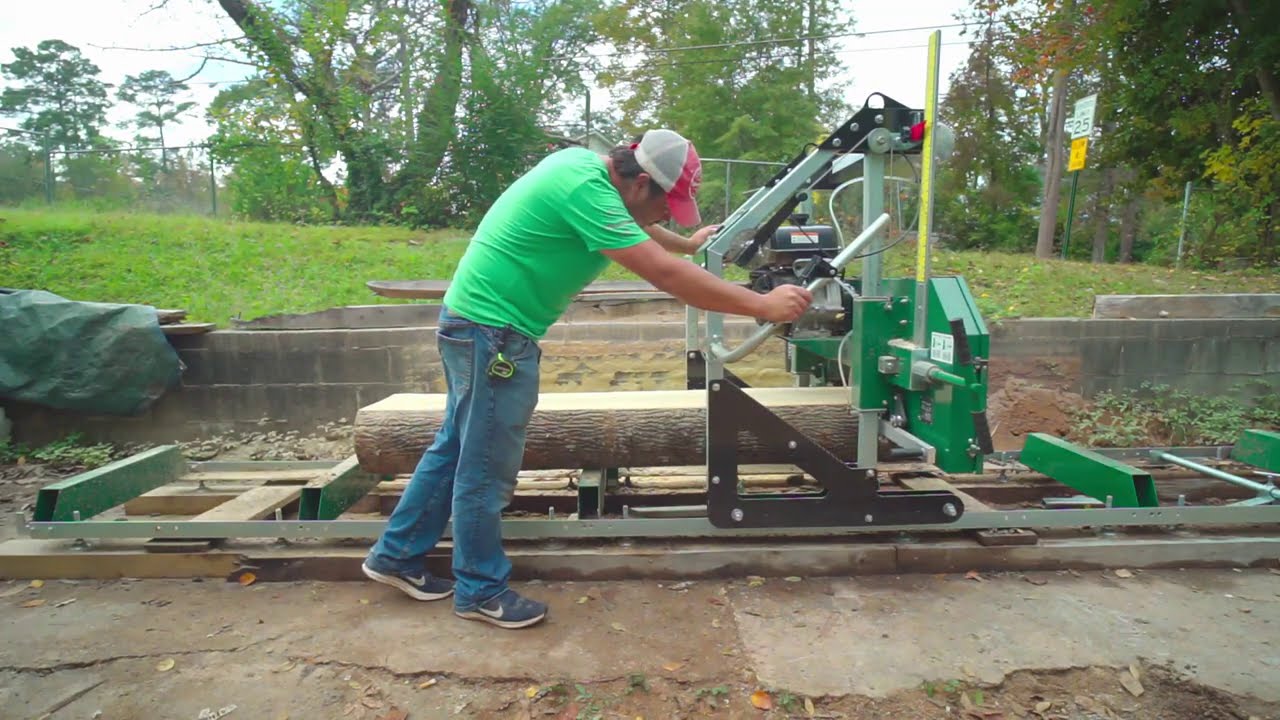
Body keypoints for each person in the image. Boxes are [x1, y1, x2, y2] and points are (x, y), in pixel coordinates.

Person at [362, 129, 813, 629]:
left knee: (455, 448)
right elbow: (667, 277)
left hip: (473, 326)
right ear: (640, 182)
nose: (669, 214)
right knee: (484, 470)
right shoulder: (588, 195)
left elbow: (640, 228)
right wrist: (761, 304)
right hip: (494, 337)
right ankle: (479, 589)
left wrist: (686, 243)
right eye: (669, 205)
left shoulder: (586, 168)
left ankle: (396, 556)